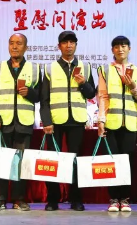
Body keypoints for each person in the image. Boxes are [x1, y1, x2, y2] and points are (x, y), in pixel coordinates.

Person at [40, 30, 97, 211]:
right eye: (65, 42)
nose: (69, 45)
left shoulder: (85, 67)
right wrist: (46, 121)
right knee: (53, 161)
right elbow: (44, 98)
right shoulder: (50, 68)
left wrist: (83, 83)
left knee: (76, 160)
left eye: (72, 42)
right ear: (59, 46)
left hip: (77, 120)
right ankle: (53, 200)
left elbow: (91, 94)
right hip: (55, 121)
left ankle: (76, 199)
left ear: (76, 45)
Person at [0, 33, 42, 212]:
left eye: (19, 43)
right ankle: (0, 199)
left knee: (21, 163)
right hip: (2, 123)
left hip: (24, 123)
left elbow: (40, 95)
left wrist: (30, 93)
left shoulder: (34, 68)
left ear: (26, 47)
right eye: (11, 43)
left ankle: (19, 199)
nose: (15, 46)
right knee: (2, 162)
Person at [97, 36, 137, 212]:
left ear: (129, 49)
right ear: (112, 50)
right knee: (112, 161)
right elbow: (102, 96)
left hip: (130, 122)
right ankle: (113, 199)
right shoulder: (105, 70)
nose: (120, 49)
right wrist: (101, 120)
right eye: (116, 47)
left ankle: (124, 199)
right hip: (111, 122)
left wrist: (133, 86)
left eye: (124, 46)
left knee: (127, 161)